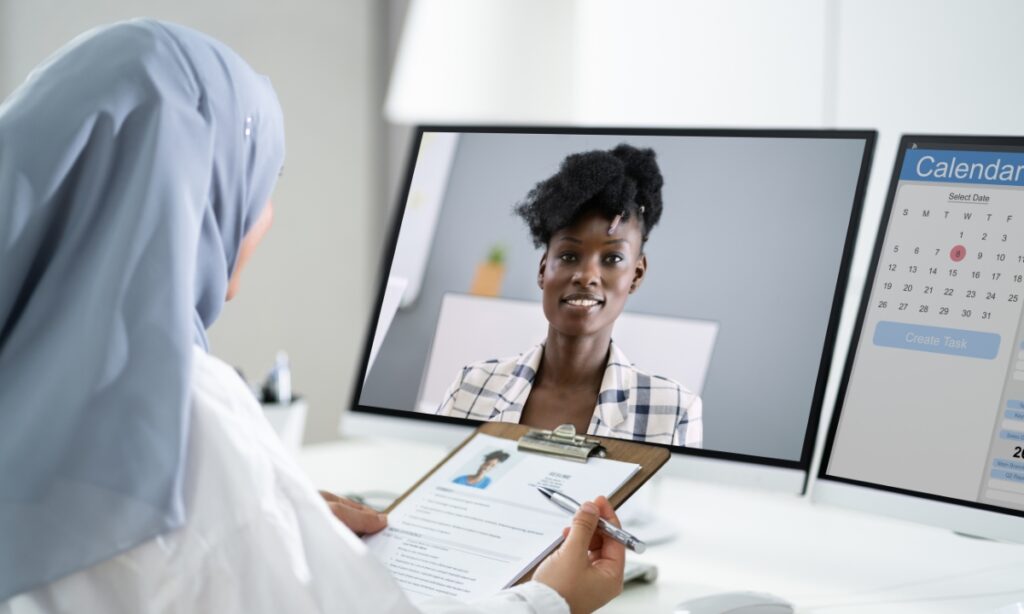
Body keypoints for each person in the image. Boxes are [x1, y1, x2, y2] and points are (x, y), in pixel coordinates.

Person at [0, 19, 625, 614]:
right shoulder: (176, 408)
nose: (263, 215)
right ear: (196, 193)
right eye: (258, 182)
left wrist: (269, 519)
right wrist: (551, 599)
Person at [432, 145, 702, 447]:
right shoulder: (472, 385)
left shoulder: (673, 410)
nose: (586, 275)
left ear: (636, 275)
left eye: (612, 259)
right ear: (543, 268)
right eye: (570, 255)